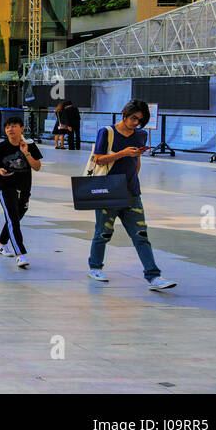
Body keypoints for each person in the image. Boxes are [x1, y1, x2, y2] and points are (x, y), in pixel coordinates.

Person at [87, 100, 177, 290]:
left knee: (141, 235)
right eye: (134, 118)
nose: (136, 123)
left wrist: (133, 177)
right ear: (124, 114)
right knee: (103, 232)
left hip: (131, 192)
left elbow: (136, 161)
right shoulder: (107, 132)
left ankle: (153, 276)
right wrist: (122, 153)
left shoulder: (141, 135)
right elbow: (98, 159)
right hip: (108, 190)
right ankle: (95, 267)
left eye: (140, 120)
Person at [0, 115, 41, 268]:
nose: (10, 129)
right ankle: (20, 254)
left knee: (17, 217)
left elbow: (37, 166)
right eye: (8, 127)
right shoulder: (0, 147)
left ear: (21, 128)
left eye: (14, 126)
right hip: (5, 186)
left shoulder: (29, 145)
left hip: (24, 187)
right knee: (12, 218)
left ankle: (1, 243)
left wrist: (26, 153)